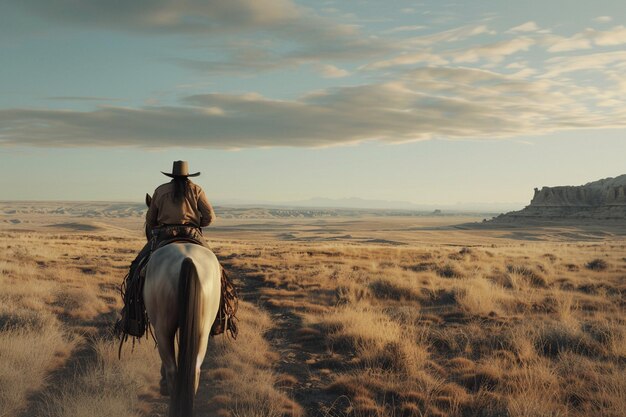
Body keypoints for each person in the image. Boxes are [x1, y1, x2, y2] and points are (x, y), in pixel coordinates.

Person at [116, 160, 218, 339]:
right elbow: (210, 217)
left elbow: (150, 219)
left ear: (172, 175)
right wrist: (196, 223)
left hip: (164, 234)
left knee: (136, 269)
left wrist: (159, 223)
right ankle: (220, 319)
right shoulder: (197, 190)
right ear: (187, 175)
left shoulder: (161, 190)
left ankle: (132, 319)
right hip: (192, 233)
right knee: (218, 271)